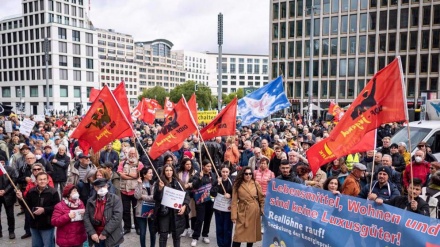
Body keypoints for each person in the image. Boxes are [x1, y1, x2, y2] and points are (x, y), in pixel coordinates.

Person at [16, 172, 60, 247]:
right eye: (40, 179)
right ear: (36, 181)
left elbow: (57, 208)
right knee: (36, 245)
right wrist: (21, 198)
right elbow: (26, 205)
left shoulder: (53, 192)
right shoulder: (31, 191)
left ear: (47, 180)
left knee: (48, 244)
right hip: (34, 223)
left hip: (47, 224)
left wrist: (44, 210)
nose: (42, 181)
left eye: (44, 179)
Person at [153, 164, 190, 247]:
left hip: (176, 212)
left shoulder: (178, 182)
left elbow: (186, 195)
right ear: (164, 172)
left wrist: (184, 206)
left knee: (176, 236)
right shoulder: (159, 182)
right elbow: (156, 198)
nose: (169, 172)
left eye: (170, 170)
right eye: (167, 170)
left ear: (173, 171)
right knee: (163, 235)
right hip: (164, 212)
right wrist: (159, 189)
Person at [83, 178, 124, 247]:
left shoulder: (115, 199)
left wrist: (105, 232)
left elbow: (117, 217)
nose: (101, 189)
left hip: (112, 235)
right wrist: (92, 233)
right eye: (99, 187)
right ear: (95, 188)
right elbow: (86, 217)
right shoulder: (90, 201)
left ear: (107, 186)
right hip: (97, 236)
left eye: (103, 186)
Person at [231, 167, 265, 247]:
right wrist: (233, 216)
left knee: (251, 235)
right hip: (243, 210)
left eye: (250, 174)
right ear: (243, 174)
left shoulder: (255, 183)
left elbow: (261, 198)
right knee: (238, 235)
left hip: (254, 211)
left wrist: (262, 208)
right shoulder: (237, 184)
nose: (248, 175)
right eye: (246, 174)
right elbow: (234, 201)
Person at [117, 147, 144, 234]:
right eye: (131, 153)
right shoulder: (122, 163)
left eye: (134, 153)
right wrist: (133, 175)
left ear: (137, 154)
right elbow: (121, 175)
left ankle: (137, 227)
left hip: (135, 190)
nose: (132, 155)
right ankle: (127, 227)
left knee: (136, 210)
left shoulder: (139, 164)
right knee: (125, 210)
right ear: (128, 154)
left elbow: (138, 176)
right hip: (124, 190)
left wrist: (128, 174)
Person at [190, 160, 216, 246]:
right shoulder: (198, 175)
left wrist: (217, 183)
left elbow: (215, 186)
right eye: (208, 166)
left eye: (210, 167)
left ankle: (205, 235)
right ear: (203, 166)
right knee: (200, 219)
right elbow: (194, 186)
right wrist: (199, 178)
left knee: (208, 219)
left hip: (210, 200)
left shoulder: (212, 175)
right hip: (201, 201)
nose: (209, 168)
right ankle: (195, 237)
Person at [210, 165, 233, 247]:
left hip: (228, 210)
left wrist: (230, 195)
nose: (225, 174)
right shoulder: (217, 181)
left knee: (227, 229)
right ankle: (220, 244)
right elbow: (212, 194)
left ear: (229, 172)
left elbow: (236, 194)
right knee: (219, 228)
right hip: (219, 209)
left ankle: (227, 245)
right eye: (223, 172)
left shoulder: (232, 181)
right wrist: (218, 184)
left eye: (226, 172)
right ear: (220, 172)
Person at [134, 167, 156, 247]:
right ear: (144, 174)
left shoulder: (154, 184)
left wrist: (143, 197)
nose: (151, 174)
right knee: (142, 232)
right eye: (150, 173)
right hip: (141, 210)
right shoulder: (139, 183)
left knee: (152, 231)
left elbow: (155, 197)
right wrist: (139, 184)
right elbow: (137, 196)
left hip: (152, 210)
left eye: (152, 173)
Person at [176, 158, 196, 238]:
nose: (189, 166)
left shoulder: (194, 173)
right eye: (187, 164)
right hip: (181, 195)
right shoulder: (179, 172)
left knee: (192, 212)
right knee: (184, 213)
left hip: (191, 195)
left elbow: (196, 182)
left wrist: (189, 185)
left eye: (190, 164)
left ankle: (192, 229)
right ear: (183, 165)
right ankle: (185, 228)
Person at [0, 155, 17, 239]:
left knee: (10, 215)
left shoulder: (10, 170)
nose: (1, 165)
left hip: (9, 195)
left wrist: (5, 191)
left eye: (2, 163)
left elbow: (13, 182)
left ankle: (11, 231)